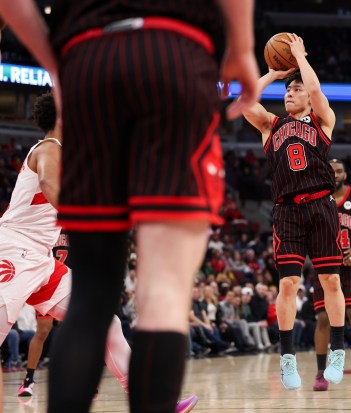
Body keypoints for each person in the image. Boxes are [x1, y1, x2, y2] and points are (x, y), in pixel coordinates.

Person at [0, 1, 259, 412]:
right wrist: (243, 47)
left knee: (97, 309)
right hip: (174, 53)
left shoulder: (67, 142)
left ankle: (141, 386)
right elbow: (49, 182)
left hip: (89, 59)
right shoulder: (49, 147)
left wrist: (57, 61)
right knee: (163, 294)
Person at [0, 93, 198, 413]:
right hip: (12, 248)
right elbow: (50, 183)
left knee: (103, 321)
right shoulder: (49, 147)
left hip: (41, 260)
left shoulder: (71, 155)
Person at [241, 33, 346, 389]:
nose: (290, 94)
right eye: (288, 91)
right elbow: (244, 100)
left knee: (330, 280)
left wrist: (300, 58)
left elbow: (316, 91)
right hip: (286, 210)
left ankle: (338, 349)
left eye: (295, 90)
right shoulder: (271, 126)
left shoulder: (321, 120)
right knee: (288, 283)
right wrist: (273, 73)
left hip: (321, 205)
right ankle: (287, 358)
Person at [312, 159, 351, 391]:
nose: (335, 174)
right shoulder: (313, 199)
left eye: (339, 171)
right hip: (324, 267)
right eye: (330, 171)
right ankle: (321, 372)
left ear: (345, 175)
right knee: (323, 319)